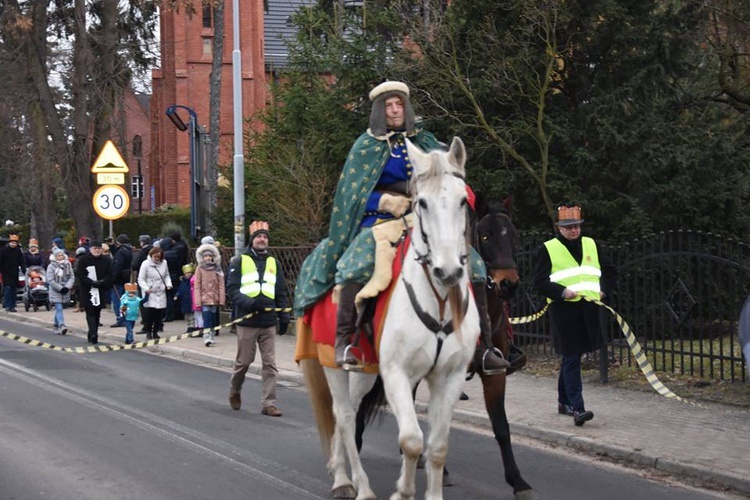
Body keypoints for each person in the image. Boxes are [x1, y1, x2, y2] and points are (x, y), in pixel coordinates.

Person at [293, 80, 508, 374]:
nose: (394, 110)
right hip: (381, 222)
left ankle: (483, 349)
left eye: (398, 104)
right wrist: (383, 201)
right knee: (354, 265)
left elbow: (447, 177)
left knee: (477, 266)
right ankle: (346, 341)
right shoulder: (365, 146)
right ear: (379, 112)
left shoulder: (428, 142)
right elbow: (350, 195)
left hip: (426, 220)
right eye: (388, 106)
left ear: (406, 107)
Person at [532, 203, 617, 426]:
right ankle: (578, 409)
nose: (574, 230)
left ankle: (563, 402)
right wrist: (561, 292)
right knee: (571, 356)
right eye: (569, 227)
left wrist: (604, 290)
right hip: (563, 311)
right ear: (559, 228)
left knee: (573, 356)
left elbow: (610, 272)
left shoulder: (592, 245)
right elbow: (539, 282)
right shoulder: (547, 249)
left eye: (577, 226)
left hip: (588, 310)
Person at [227, 221, 290, 417]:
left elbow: (280, 290)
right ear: (252, 240)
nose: (262, 239)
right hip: (247, 320)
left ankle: (268, 403)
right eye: (259, 237)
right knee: (243, 362)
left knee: (270, 364)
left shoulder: (274, 263)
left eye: (265, 237)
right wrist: (250, 303)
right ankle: (235, 390)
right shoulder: (239, 261)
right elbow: (232, 290)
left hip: (268, 321)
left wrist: (284, 314)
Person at [75, 240, 113, 344]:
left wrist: (103, 282)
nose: (97, 250)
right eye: (95, 248)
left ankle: (92, 331)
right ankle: (93, 334)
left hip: (100, 288)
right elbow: (80, 274)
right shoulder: (83, 260)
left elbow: (110, 274)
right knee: (90, 311)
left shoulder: (106, 260)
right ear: (91, 249)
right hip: (88, 289)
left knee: (97, 312)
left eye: (99, 248)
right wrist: (91, 282)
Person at [193, 242, 225, 346]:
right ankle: (206, 336)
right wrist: (197, 300)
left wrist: (221, 299)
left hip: (214, 298)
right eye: (205, 256)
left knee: (212, 318)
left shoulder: (217, 268)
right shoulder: (200, 268)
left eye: (209, 256)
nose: (207, 258)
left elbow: (221, 284)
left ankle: (212, 334)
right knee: (206, 317)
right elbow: (197, 284)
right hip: (204, 298)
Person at [137, 246, 172, 340]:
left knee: (159, 313)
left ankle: (155, 331)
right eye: (155, 257)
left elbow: (166, 275)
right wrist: (146, 288)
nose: (157, 259)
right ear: (151, 256)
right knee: (150, 313)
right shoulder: (145, 264)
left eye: (158, 257)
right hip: (150, 291)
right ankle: (148, 331)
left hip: (161, 290)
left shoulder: (164, 263)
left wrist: (168, 284)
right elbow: (141, 278)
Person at [46, 248, 74, 334]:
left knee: (60, 308)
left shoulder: (68, 265)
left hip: (65, 288)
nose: (60, 257)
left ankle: (55, 325)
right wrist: (59, 288)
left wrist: (67, 287)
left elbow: (71, 277)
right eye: (58, 255)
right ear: (55, 257)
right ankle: (62, 325)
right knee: (59, 307)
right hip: (55, 289)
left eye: (62, 255)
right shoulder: (51, 266)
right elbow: (50, 279)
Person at [110, 234, 133, 327]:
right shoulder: (128, 250)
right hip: (125, 278)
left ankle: (121, 318)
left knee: (118, 300)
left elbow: (117, 265)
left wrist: (113, 278)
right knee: (124, 299)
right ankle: (124, 317)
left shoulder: (121, 252)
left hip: (118, 279)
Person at [0, 234, 26, 312]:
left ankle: (12, 305)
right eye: (12, 242)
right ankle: (7, 305)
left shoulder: (18, 251)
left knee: (14, 289)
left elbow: (22, 262)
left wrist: (23, 269)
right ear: (9, 243)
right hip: (5, 272)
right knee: (8, 288)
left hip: (15, 272)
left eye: (15, 243)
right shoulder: (3, 250)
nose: (14, 244)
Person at [174, 263, 196, 332]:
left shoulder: (192, 281)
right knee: (186, 316)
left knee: (192, 316)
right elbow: (180, 289)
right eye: (187, 273)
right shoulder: (183, 282)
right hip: (184, 301)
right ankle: (189, 326)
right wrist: (177, 295)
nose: (188, 274)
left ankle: (192, 327)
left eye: (190, 273)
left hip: (191, 301)